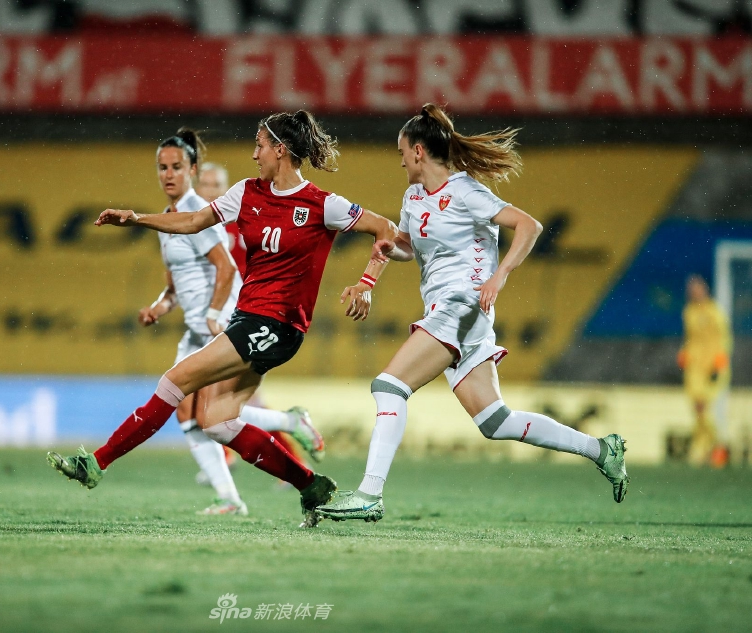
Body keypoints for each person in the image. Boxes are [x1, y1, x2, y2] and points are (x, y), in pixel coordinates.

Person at [48, 110, 397, 528]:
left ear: (280, 150)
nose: (254, 154)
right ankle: (311, 485)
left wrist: (366, 283)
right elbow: (194, 221)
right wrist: (137, 218)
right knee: (216, 421)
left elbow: (385, 229)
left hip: (278, 325)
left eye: (259, 145)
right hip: (247, 320)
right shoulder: (246, 192)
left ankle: (97, 463)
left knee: (174, 382)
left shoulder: (322, 204)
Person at [316, 104, 630, 524]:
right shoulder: (413, 197)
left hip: (463, 306)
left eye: (402, 152)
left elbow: (529, 226)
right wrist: (376, 269)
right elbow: (406, 246)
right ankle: (601, 450)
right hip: (453, 313)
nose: (401, 160)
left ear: (419, 152)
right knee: (495, 421)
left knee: (389, 386)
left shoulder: (466, 191)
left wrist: (499, 275)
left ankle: (369, 494)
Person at [196, 161, 323, 483]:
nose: (209, 191)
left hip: (243, 317)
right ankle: (284, 454)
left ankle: (271, 451)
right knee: (226, 399)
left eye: (216, 185)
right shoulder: (205, 227)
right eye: (205, 184)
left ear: (224, 190)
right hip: (221, 317)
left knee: (217, 398)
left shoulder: (239, 224)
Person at [678, 274, 732, 467]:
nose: (695, 292)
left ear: (705, 290)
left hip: (712, 367)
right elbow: (689, 337)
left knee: (704, 407)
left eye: (697, 288)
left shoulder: (715, 312)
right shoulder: (688, 312)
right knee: (697, 408)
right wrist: (684, 352)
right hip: (694, 368)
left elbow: (724, 338)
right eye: (691, 290)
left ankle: (711, 447)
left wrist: (720, 360)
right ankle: (709, 447)